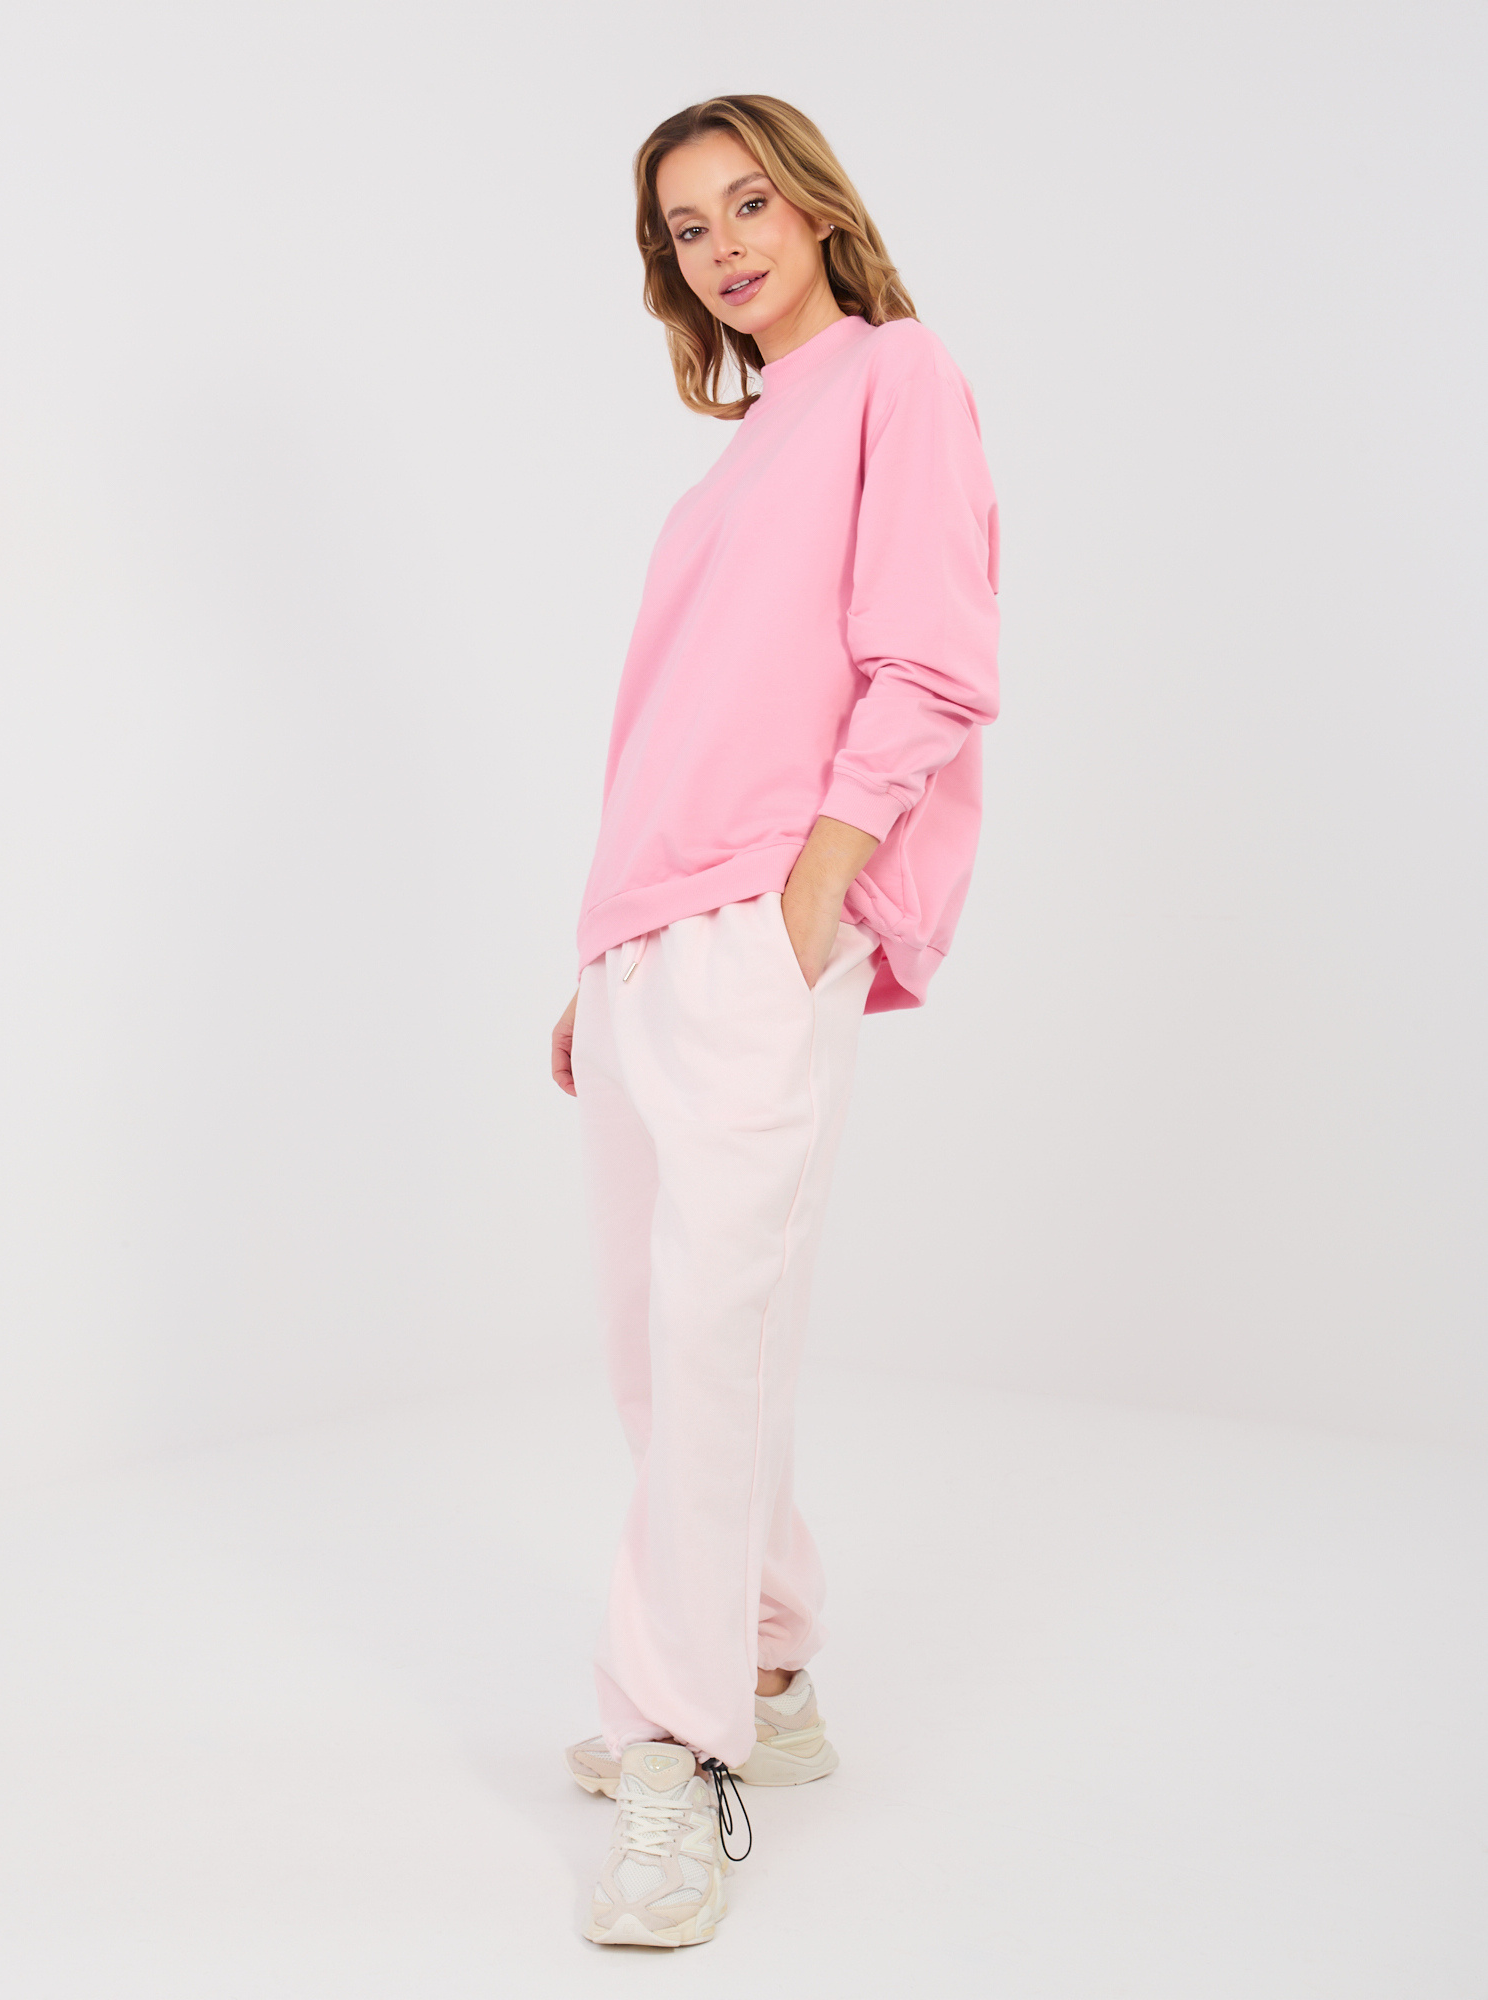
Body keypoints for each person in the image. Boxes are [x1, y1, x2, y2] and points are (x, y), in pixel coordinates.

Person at [550, 93, 1000, 1948]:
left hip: (756, 925)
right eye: (688, 226)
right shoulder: (732, 464)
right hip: (646, 942)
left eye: (749, 203)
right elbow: (671, 730)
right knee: (667, 1356)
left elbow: (932, 661)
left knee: (713, 1332)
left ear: (816, 208)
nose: (725, 244)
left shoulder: (899, 376)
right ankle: (772, 1667)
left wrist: (811, 898)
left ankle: (677, 1747)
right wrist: (595, 954)